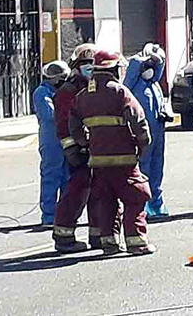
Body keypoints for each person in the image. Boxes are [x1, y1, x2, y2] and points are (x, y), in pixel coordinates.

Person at [69, 50, 156, 255]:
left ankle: (109, 243)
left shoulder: (82, 96)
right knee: (135, 196)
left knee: (106, 200)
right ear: (114, 69)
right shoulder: (120, 92)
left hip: (98, 161)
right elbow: (139, 122)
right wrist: (143, 145)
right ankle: (137, 242)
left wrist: (86, 142)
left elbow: (73, 125)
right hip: (124, 159)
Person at [52, 44, 108, 253]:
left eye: (93, 64)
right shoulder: (68, 91)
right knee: (78, 190)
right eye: (85, 65)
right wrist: (72, 149)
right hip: (78, 151)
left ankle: (98, 235)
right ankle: (64, 236)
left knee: (99, 191)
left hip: (97, 148)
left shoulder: (95, 88)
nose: (90, 68)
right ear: (76, 67)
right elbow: (64, 123)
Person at [124, 43, 170, 219]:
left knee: (158, 166)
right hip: (142, 132)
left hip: (158, 130)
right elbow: (128, 79)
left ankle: (156, 203)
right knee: (144, 167)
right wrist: (140, 60)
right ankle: (143, 202)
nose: (150, 68)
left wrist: (157, 59)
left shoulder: (154, 86)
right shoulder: (134, 87)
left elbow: (159, 68)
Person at [33, 61, 71, 227]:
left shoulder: (62, 92)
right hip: (50, 141)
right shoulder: (42, 93)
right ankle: (49, 215)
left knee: (67, 177)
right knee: (51, 176)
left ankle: (64, 215)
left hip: (65, 137)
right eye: (62, 78)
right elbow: (50, 115)